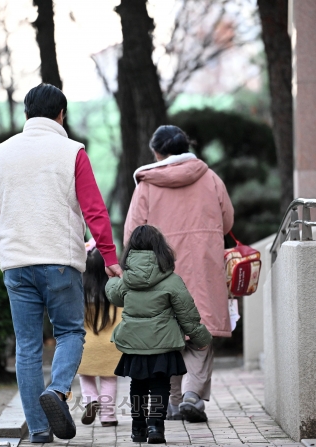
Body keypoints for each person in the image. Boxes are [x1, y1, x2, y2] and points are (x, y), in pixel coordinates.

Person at [0, 83, 123, 444]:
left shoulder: (1, 153)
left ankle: (39, 429)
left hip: (16, 265)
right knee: (70, 332)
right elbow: (94, 209)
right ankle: (57, 392)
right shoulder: (72, 152)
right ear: (61, 115)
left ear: (26, 114)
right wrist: (111, 258)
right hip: (60, 262)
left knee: (27, 345)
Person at [123, 125, 234, 423]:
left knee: (169, 336)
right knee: (200, 332)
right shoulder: (210, 179)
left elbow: (132, 236)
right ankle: (191, 395)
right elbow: (227, 223)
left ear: (157, 153)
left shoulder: (146, 184)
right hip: (203, 268)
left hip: (162, 273)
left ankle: (173, 402)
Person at [106, 225, 212, 444]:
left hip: (134, 344)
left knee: (137, 386)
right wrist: (201, 339)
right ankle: (155, 428)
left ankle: (137, 429)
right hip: (163, 345)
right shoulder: (172, 280)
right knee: (160, 386)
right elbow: (188, 315)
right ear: (161, 249)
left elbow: (114, 296)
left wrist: (111, 279)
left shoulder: (126, 281)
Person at [77, 239, 120, 427]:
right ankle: (108, 416)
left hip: (86, 345)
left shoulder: (79, 293)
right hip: (110, 345)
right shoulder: (115, 291)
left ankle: (91, 400)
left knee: (85, 375)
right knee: (109, 378)